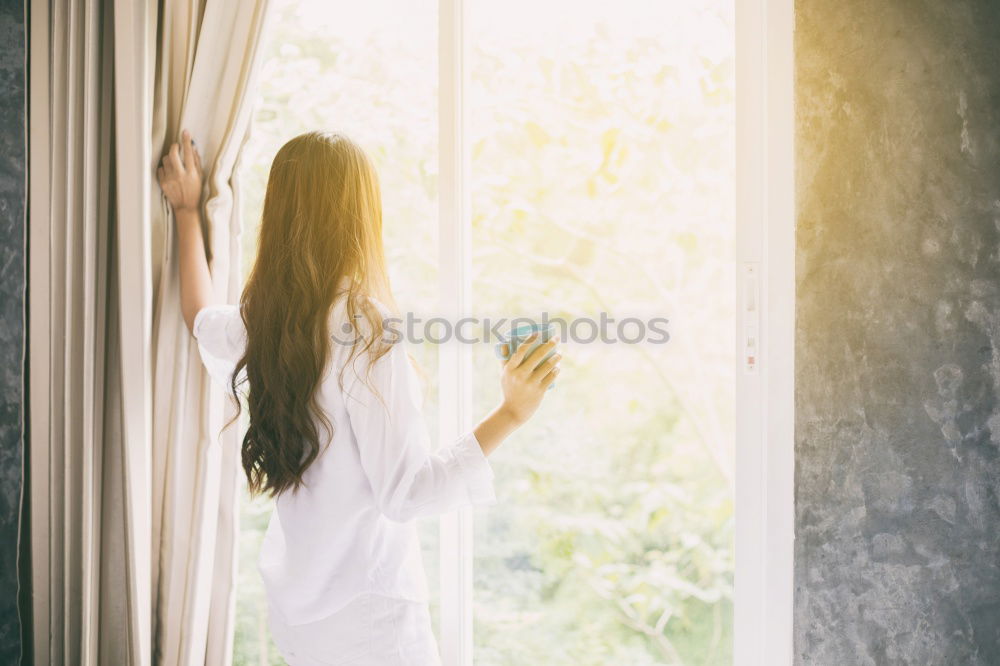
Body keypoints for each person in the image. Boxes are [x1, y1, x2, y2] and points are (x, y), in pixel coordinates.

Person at [157, 129, 562, 665]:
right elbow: (407, 495)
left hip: (298, 611)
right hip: (372, 621)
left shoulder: (265, 323)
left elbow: (199, 318)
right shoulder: (365, 330)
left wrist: (187, 213)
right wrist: (512, 412)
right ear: (361, 217)